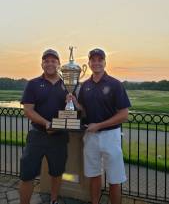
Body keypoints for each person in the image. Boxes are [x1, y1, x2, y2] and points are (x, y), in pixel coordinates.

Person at [71, 48, 131, 204]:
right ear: (89, 63)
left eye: (100, 59)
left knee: (114, 178)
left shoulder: (115, 84)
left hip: (110, 136)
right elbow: (84, 111)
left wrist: (99, 125)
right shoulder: (85, 86)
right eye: (93, 60)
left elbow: (124, 115)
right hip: (90, 136)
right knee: (94, 174)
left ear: (105, 62)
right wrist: (75, 104)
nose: (96, 63)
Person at [19, 49, 68, 204]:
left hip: (59, 136)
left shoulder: (68, 84)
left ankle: (53, 200)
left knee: (57, 172)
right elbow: (28, 110)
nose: (50, 63)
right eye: (46, 61)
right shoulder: (33, 84)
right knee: (27, 174)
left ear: (59, 64)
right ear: (42, 64)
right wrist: (46, 123)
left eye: (53, 61)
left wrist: (72, 102)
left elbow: (77, 110)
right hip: (37, 135)